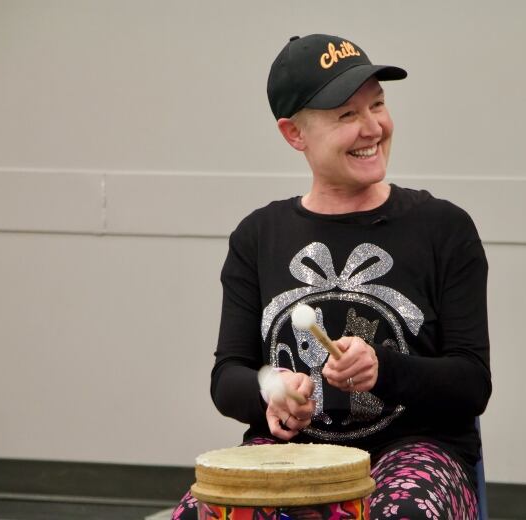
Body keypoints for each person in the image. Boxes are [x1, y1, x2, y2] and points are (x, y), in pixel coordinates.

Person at [174, 33, 491, 520]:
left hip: (415, 454)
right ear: (293, 134)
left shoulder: (444, 228)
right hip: (292, 456)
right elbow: (227, 376)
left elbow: (472, 383)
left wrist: (384, 370)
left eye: (378, 105)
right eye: (347, 115)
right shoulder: (257, 236)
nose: (373, 128)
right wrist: (271, 390)